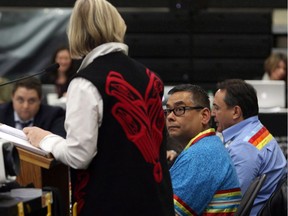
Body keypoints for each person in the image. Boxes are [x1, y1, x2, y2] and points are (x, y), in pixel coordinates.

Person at [23, 0, 175, 215]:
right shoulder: (151, 77)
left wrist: (45, 138)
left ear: (77, 31)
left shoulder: (86, 82)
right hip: (157, 203)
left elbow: (78, 156)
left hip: (110, 204)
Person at [212, 79, 287, 216]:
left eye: (217, 108)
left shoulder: (244, 148)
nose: (212, 113)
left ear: (235, 112)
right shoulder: (256, 130)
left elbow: (228, 203)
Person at [165, 84, 241, 215]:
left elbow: (167, 212)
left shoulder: (202, 155)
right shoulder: (208, 146)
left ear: (205, 116)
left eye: (179, 109)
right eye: (168, 110)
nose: (170, 117)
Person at [0, 77, 66, 137]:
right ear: (12, 97)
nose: (25, 106)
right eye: (20, 100)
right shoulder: (1, 112)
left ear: (40, 100)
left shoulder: (54, 115)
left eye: (31, 101)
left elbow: (58, 142)